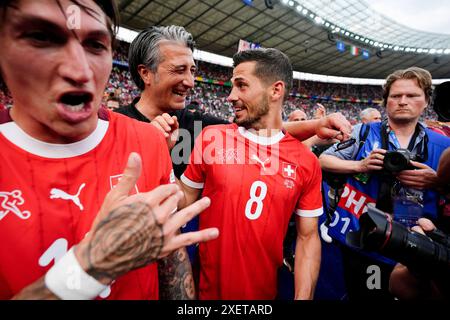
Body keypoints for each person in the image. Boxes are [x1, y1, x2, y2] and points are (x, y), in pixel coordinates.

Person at [0, 0, 217, 300]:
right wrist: (91, 266)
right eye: (42, 37)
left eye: (95, 44)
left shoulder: (150, 140)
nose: (79, 69)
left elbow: (172, 262)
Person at [177, 48, 323, 300]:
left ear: (275, 90)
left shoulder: (306, 162)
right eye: (232, 86)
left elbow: (307, 237)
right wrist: (158, 155)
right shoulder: (212, 138)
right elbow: (183, 200)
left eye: (242, 86)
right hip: (204, 292)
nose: (231, 96)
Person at [116, 25, 353, 178]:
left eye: (192, 70)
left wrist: (316, 126)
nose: (190, 82)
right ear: (146, 73)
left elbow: (261, 133)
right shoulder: (114, 128)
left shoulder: (199, 125)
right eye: (179, 70)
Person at [319, 67, 450, 300]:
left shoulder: (444, 145)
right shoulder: (363, 132)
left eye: (412, 96)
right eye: (395, 96)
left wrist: (437, 181)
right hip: (358, 237)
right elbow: (324, 159)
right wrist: (359, 166)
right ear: (386, 101)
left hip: (415, 246)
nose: (402, 101)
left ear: (426, 100)